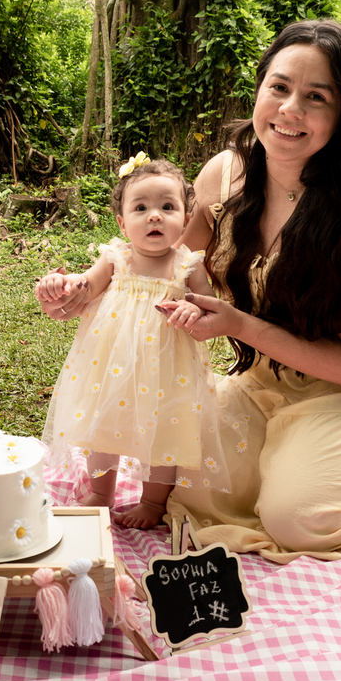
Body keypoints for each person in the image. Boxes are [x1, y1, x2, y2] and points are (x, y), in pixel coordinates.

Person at [42, 20, 341, 562]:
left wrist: (239, 325)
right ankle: (303, 451)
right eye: (280, 87)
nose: (291, 108)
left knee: (298, 520)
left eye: (316, 97)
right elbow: (168, 267)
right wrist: (86, 294)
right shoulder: (225, 174)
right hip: (266, 378)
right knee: (193, 489)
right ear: (260, 89)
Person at [36, 157, 230, 528]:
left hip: (169, 368)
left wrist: (192, 311)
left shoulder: (188, 266)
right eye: (141, 208)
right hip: (111, 364)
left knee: (166, 431)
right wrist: (62, 284)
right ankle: (101, 492)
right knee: (103, 424)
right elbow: (85, 286)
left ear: (186, 219)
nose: (154, 216)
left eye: (167, 207)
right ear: (123, 223)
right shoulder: (116, 258)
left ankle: (153, 502)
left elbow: (208, 308)